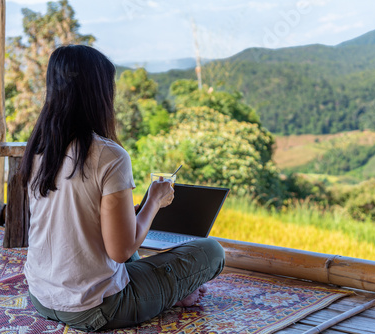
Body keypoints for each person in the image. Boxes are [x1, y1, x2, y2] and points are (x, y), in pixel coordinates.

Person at [20, 44, 225, 332]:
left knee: (127, 236)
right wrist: (153, 201)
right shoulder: (109, 155)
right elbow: (121, 251)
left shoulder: (38, 148)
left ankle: (165, 292)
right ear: (99, 94)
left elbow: (75, 218)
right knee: (212, 250)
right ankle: (171, 294)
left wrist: (131, 211)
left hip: (41, 296)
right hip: (96, 308)